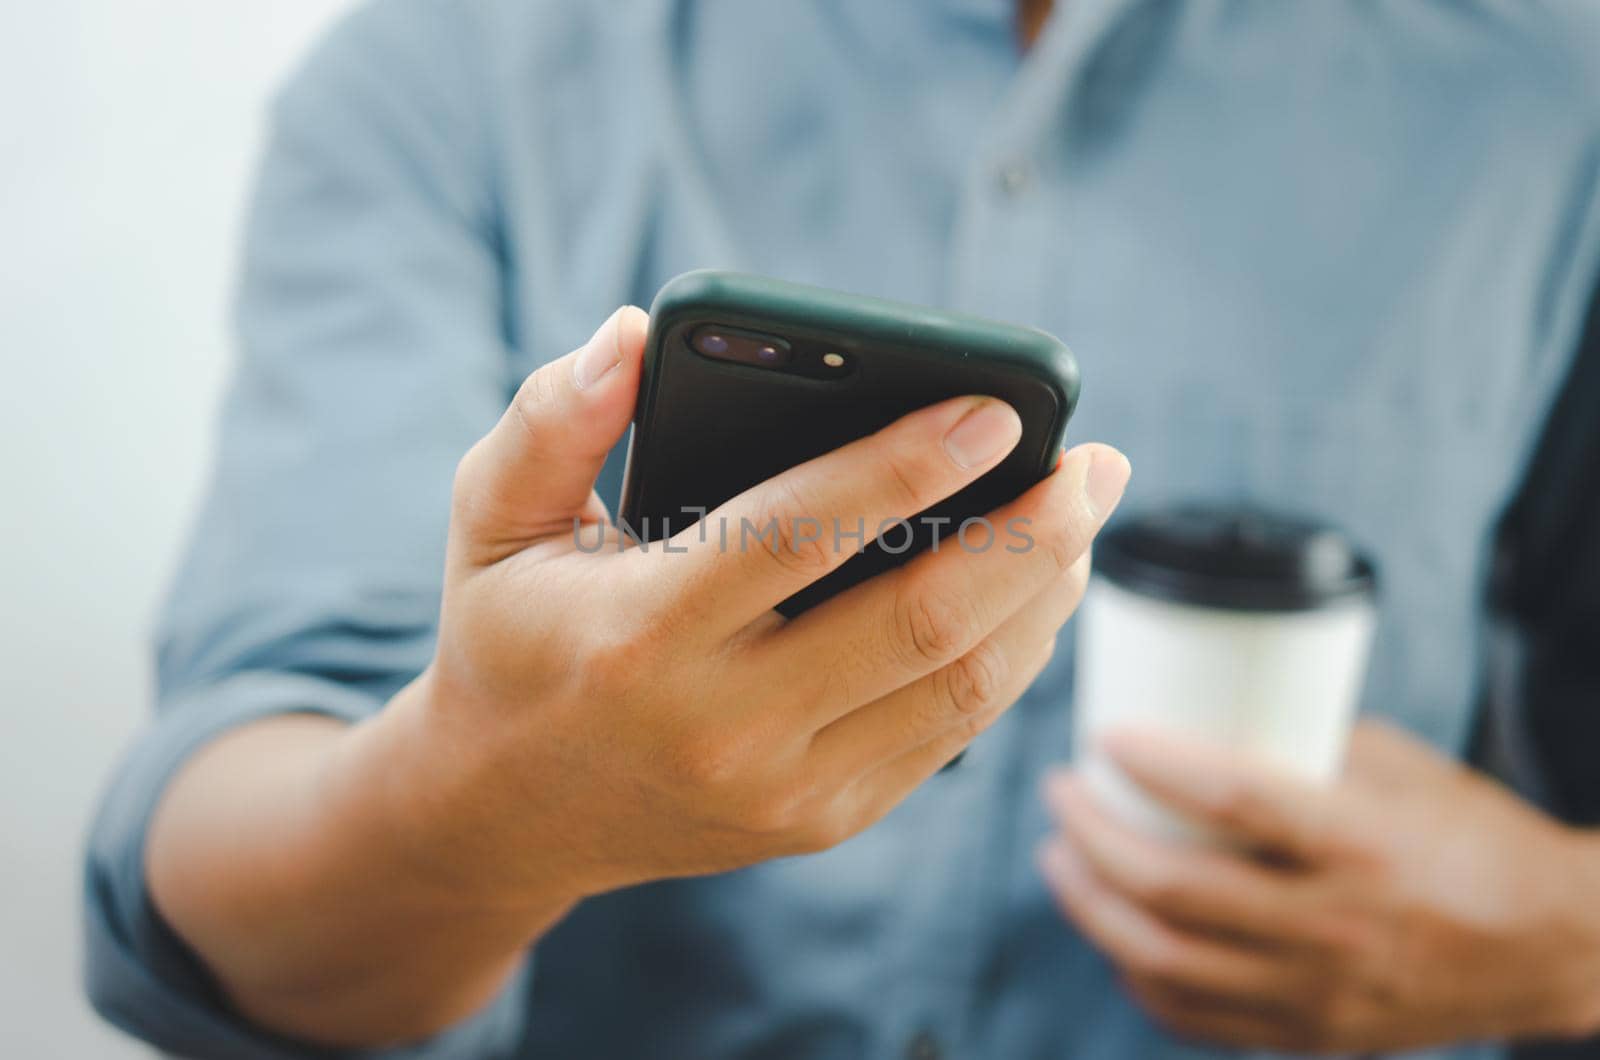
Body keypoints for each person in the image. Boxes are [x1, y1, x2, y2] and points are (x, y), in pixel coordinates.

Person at [84, 1, 1600, 1057]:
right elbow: (211, 862)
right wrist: (484, 802)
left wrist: (1562, 934)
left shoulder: (1555, 102)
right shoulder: (452, 69)